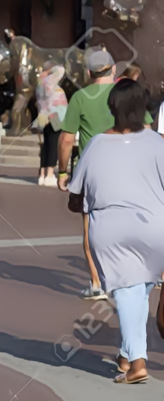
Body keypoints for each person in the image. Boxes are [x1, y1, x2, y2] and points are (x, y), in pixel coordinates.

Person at [66, 79, 164, 384]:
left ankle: (137, 362)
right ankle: (126, 355)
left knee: (126, 292)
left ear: (112, 107)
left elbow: (75, 197)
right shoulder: (158, 143)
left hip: (111, 230)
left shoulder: (96, 144)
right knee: (138, 291)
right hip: (155, 228)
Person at [58, 49, 154, 301]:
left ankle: (97, 283)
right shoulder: (128, 93)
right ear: (113, 69)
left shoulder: (80, 97)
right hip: (133, 166)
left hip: (95, 173)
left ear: (89, 73)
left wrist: (61, 171)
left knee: (92, 227)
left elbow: (67, 139)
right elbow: (147, 129)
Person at [34, 62, 68, 187]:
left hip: (43, 116)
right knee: (53, 144)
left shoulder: (39, 83)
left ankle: (42, 174)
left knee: (46, 145)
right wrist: (49, 71)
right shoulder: (49, 81)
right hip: (54, 116)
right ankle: (49, 174)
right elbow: (61, 69)